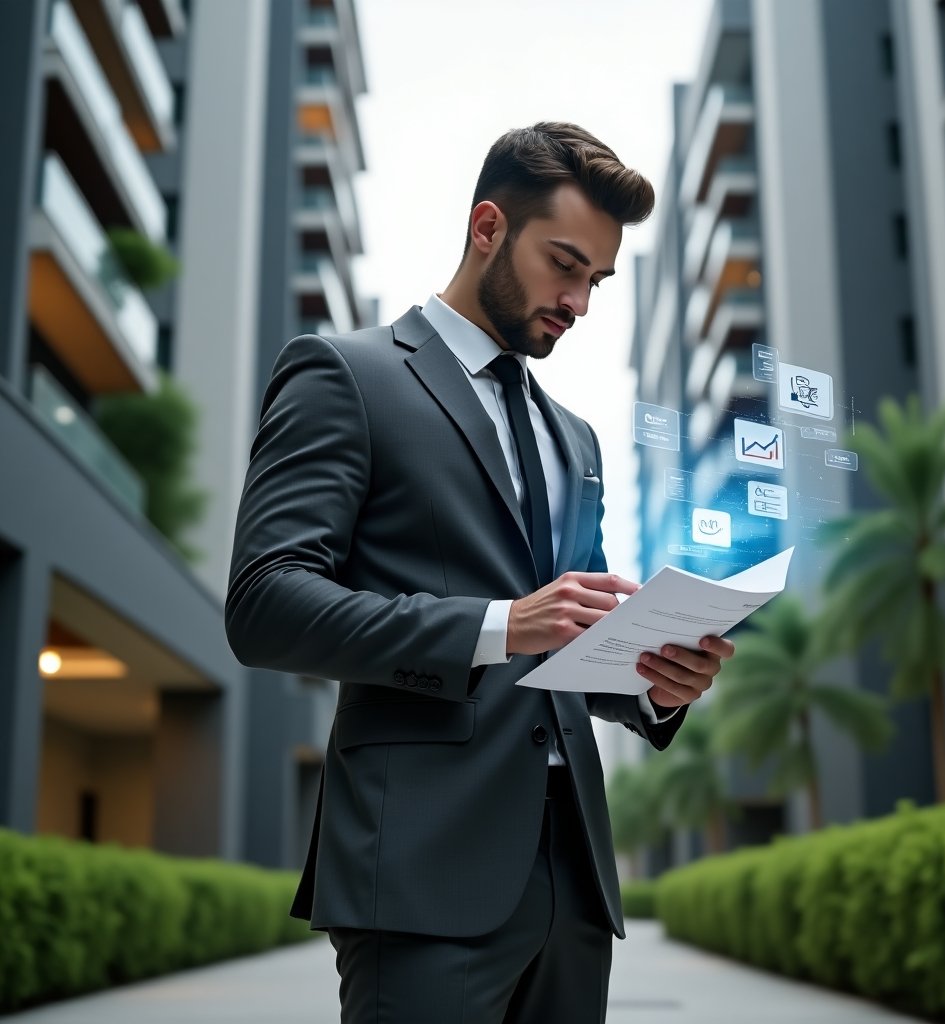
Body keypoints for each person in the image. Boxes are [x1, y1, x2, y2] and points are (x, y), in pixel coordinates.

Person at [225, 122, 735, 1024]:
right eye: (565, 265)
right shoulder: (346, 375)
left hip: (573, 883)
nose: (578, 301)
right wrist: (499, 625)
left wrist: (658, 682)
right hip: (422, 872)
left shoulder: (574, 437)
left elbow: (582, 634)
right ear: (488, 226)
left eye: (598, 282)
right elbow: (266, 603)